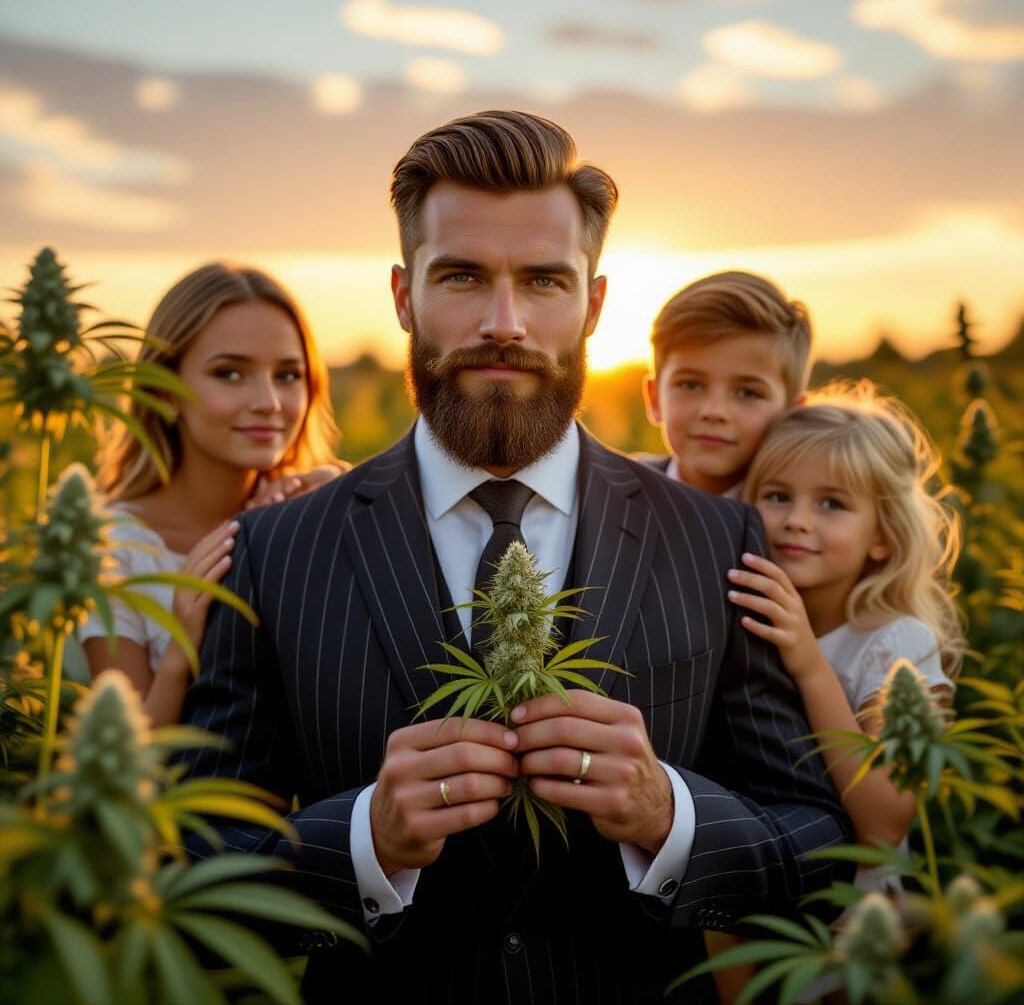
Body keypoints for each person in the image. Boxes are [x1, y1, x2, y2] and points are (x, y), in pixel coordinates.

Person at [179, 110, 853, 1005]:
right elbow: (196, 865)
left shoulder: (716, 541)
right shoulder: (276, 549)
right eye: (461, 276)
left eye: (543, 280)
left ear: (595, 305)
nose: (504, 322)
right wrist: (363, 843)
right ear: (403, 295)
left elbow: (822, 842)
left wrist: (669, 814)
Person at [709, 382, 962, 1003]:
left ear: (882, 535)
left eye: (832, 504)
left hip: (850, 928)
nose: (797, 518)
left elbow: (882, 822)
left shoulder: (896, 645)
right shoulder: (738, 616)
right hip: (748, 898)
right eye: (777, 496)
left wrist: (808, 663)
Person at [80, 262, 343, 725]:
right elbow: (128, 757)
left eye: (287, 375)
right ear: (165, 391)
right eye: (230, 374)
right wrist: (182, 644)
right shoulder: (111, 551)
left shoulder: (316, 506)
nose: (268, 401)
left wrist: (343, 499)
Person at [641, 270, 811, 497]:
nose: (714, 412)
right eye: (690, 385)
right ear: (655, 399)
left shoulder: (797, 526)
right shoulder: (604, 494)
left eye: (748, 393)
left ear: (791, 415)